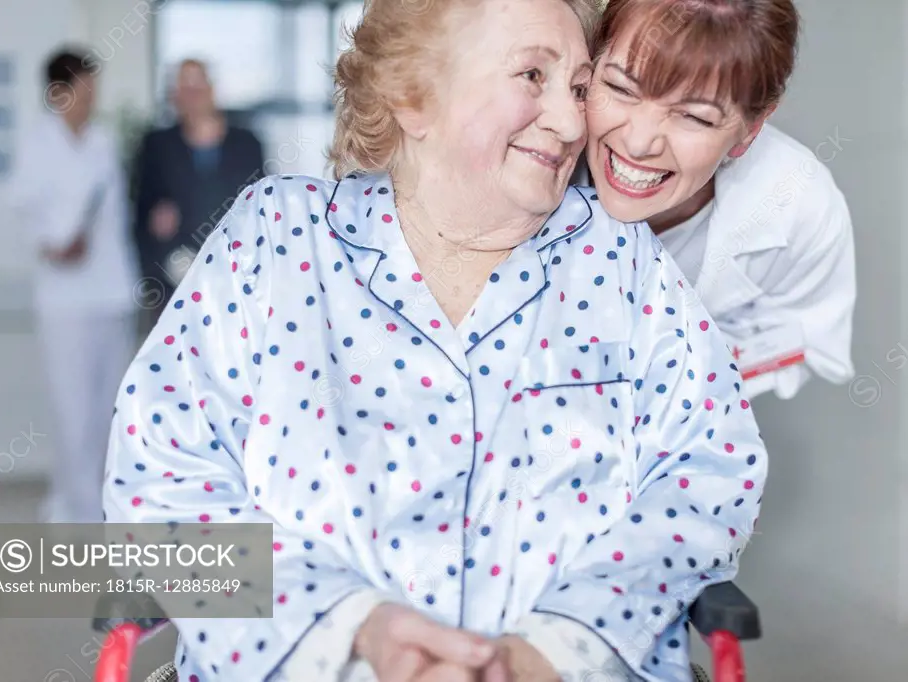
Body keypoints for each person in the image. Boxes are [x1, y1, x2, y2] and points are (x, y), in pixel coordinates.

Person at [103, 1, 768, 681]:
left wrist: (558, 645)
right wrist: (357, 631)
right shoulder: (273, 237)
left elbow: (706, 476)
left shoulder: (622, 263)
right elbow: (163, 482)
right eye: (531, 76)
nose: (573, 123)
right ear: (412, 96)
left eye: (578, 87)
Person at [580, 0, 856, 400]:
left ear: (750, 129)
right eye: (621, 88)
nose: (639, 143)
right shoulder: (531, 154)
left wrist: (690, 370)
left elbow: (807, 339)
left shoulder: (798, 206)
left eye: (694, 117)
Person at [7, 48, 139, 524]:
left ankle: (94, 506)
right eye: (85, 88)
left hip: (110, 291)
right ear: (59, 92)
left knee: (109, 409)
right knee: (73, 412)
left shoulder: (102, 140)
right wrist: (52, 245)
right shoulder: (38, 143)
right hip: (64, 300)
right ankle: (79, 515)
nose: (92, 97)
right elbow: (25, 212)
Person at [131, 58, 264, 332]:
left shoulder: (246, 144)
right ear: (173, 95)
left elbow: (259, 209)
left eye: (197, 85)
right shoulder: (156, 146)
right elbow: (139, 213)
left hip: (234, 278)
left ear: (212, 89)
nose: (192, 95)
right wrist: (155, 224)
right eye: (184, 87)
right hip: (174, 280)